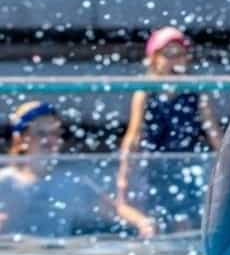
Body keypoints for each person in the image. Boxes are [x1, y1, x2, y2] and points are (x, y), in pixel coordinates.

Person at [115, 27, 223, 233]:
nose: (176, 61)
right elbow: (133, 136)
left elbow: (214, 133)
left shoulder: (196, 92)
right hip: (153, 169)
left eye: (181, 55)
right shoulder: (145, 92)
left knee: (185, 223)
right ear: (154, 59)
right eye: (169, 54)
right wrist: (123, 176)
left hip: (186, 167)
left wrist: (229, 162)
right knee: (152, 222)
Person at [1, 101, 153, 238]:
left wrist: (142, 223)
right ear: (21, 139)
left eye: (55, 133)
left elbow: (116, 210)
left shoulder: (70, 182)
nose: (50, 140)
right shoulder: (5, 181)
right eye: (41, 134)